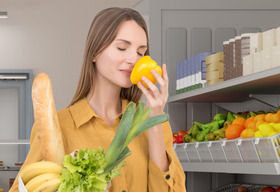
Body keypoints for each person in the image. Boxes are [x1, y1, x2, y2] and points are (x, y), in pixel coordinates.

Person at [10, 7, 186, 192]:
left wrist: (154, 121)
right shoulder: (58, 127)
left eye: (141, 52)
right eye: (122, 48)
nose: (134, 59)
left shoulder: (153, 122)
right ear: (94, 52)